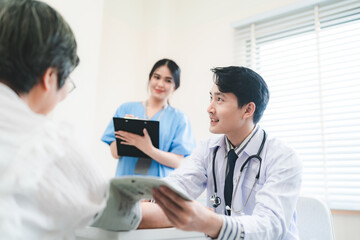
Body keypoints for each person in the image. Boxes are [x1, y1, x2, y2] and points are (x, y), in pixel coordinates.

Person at [139, 66, 302, 239]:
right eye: (211, 98)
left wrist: (211, 222)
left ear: (248, 110)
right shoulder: (208, 149)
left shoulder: (283, 158)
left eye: (220, 99)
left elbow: (270, 225)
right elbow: (179, 184)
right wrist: (148, 197)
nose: (210, 108)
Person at [0, 0, 106, 239]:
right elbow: (106, 207)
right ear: (49, 77)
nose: (66, 93)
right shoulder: (48, 143)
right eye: (67, 80)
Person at [102, 59, 196, 177]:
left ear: (175, 86)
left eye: (168, 80)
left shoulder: (179, 118)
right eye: (157, 77)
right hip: (126, 184)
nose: (160, 84)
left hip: (158, 188)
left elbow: (177, 162)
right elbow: (115, 153)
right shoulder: (126, 109)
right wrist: (124, 129)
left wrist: (148, 149)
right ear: (150, 78)